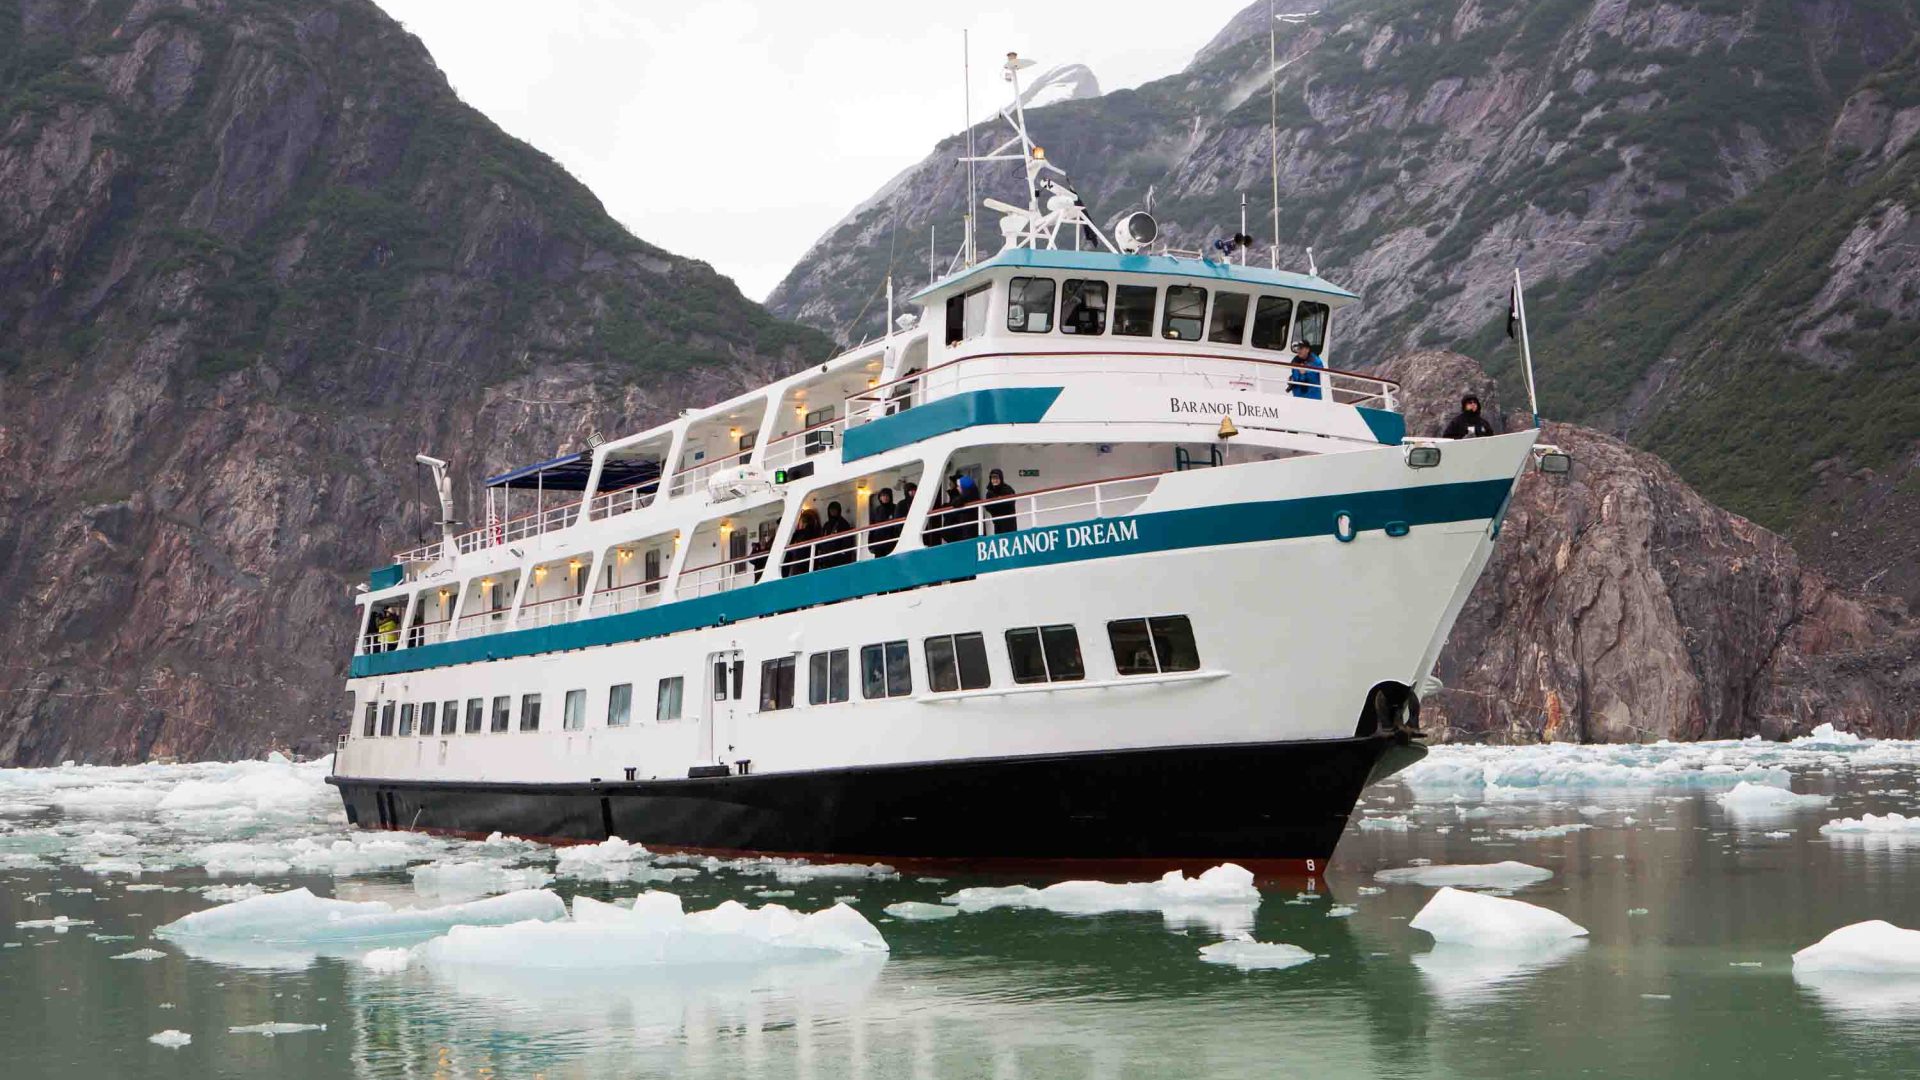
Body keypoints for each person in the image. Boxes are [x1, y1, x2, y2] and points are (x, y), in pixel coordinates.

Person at [784, 508, 822, 577]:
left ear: (804, 522)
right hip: (810, 567)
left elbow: (795, 551)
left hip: (799, 568)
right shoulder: (816, 532)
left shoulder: (801, 535)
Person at [819, 501, 854, 568]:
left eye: (835, 509)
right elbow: (822, 540)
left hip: (838, 559)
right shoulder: (826, 525)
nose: (832, 511)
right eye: (831, 510)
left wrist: (843, 555)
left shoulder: (843, 524)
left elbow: (847, 541)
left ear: (839, 510)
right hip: (826, 559)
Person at [868, 487, 900, 558]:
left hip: (891, 542)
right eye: (883, 496)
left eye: (887, 496)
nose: (885, 497)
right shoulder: (877, 510)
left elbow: (897, 526)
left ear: (890, 497)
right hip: (878, 543)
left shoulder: (895, 508)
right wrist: (870, 544)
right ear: (880, 498)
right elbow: (872, 527)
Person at [983, 469, 1018, 535]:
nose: (995, 480)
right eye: (993, 478)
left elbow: (1010, 503)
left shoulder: (1007, 489)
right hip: (997, 522)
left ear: (1001, 478)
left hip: (1009, 521)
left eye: (997, 478)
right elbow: (988, 506)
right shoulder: (990, 492)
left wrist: (997, 502)